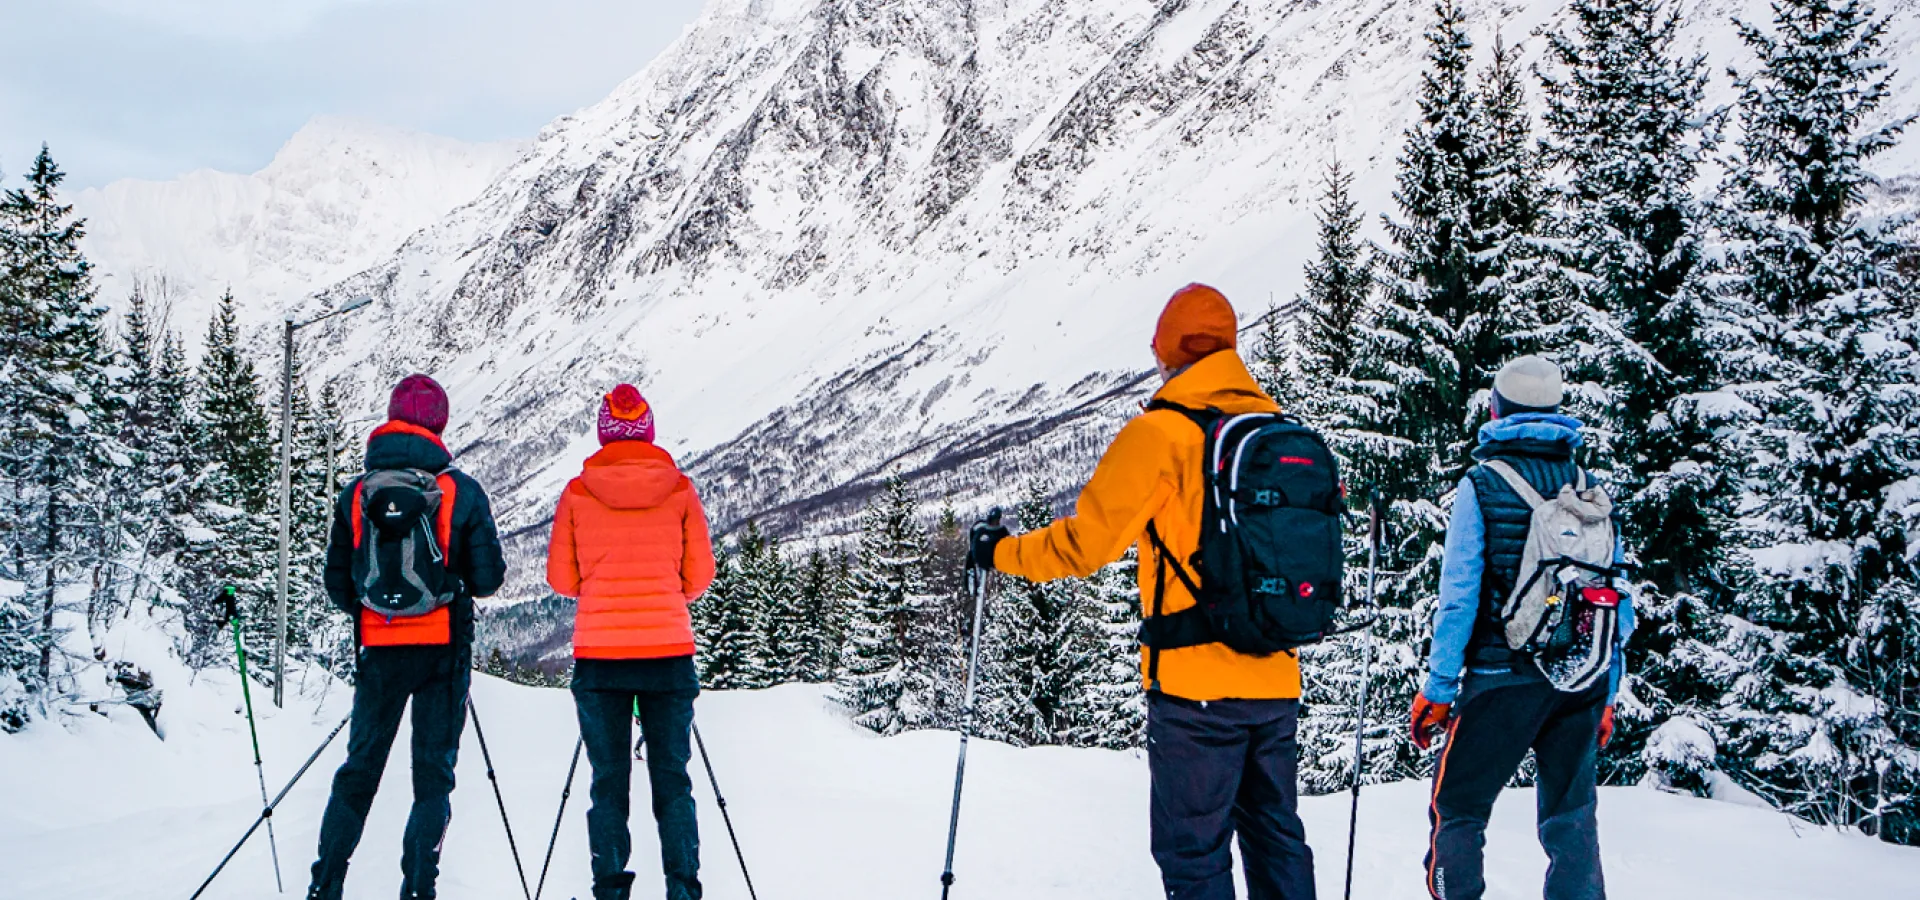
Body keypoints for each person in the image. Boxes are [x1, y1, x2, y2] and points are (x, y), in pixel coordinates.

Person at [971, 284, 1316, 900]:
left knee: (1195, 855)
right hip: (1276, 682)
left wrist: (1000, 552)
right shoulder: (1276, 431)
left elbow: (1084, 546)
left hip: (1193, 693)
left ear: (1169, 351)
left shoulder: (1162, 434)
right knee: (1277, 838)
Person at [1410, 355, 1635, 900]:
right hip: (1579, 680)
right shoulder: (1588, 487)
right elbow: (1616, 599)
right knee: (1571, 820)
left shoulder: (1483, 485)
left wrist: (1439, 690)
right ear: (1557, 413)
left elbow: (1458, 598)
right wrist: (1607, 690)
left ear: (1496, 409)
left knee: (1459, 809)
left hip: (1500, 676)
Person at [308, 374, 507, 900]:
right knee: (432, 779)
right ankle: (419, 888)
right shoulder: (458, 490)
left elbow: (338, 585)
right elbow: (488, 580)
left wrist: (378, 609)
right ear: (439, 424)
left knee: (359, 772)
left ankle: (325, 884)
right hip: (442, 651)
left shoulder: (356, 494)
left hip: (380, 649)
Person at [547, 383, 718, 900]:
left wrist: (601, 587)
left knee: (608, 785)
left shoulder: (578, 493)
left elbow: (562, 579)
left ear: (605, 433)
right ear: (648, 430)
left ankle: (610, 890)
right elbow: (699, 577)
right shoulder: (680, 490)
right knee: (673, 783)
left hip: (600, 660)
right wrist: (664, 592)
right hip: (668, 654)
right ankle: (683, 889)